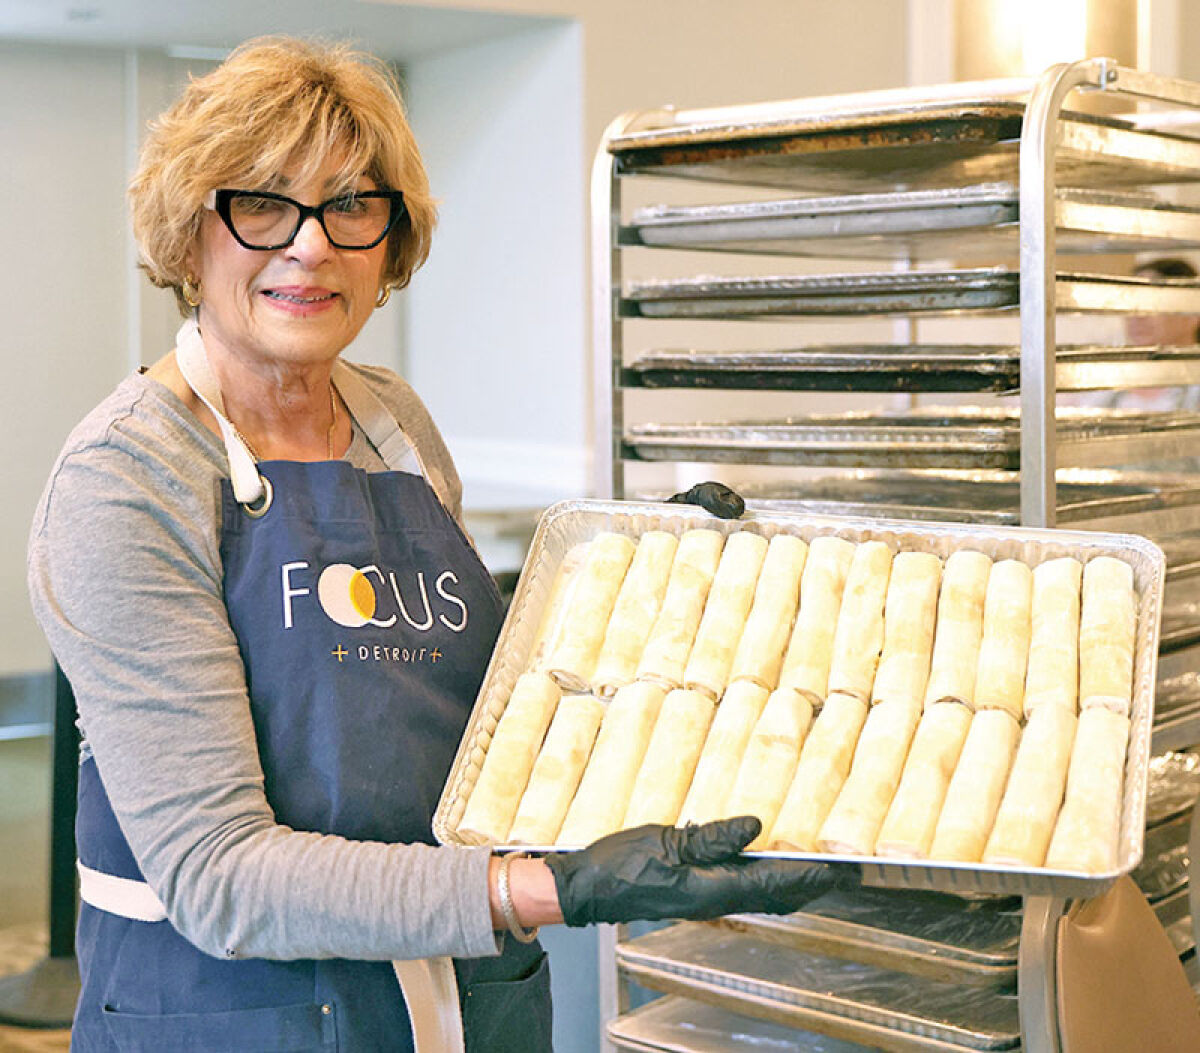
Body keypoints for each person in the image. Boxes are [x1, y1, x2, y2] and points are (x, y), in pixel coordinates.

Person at [27, 37, 849, 1052]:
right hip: (242, 1017)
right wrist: (553, 887)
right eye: (263, 204)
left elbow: (465, 709)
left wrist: (642, 577)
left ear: (392, 239)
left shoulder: (393, 423)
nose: (311, 246)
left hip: (465, 1000)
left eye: (352, 207)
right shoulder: (127, 475)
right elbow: (221, 876)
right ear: (190, 231)